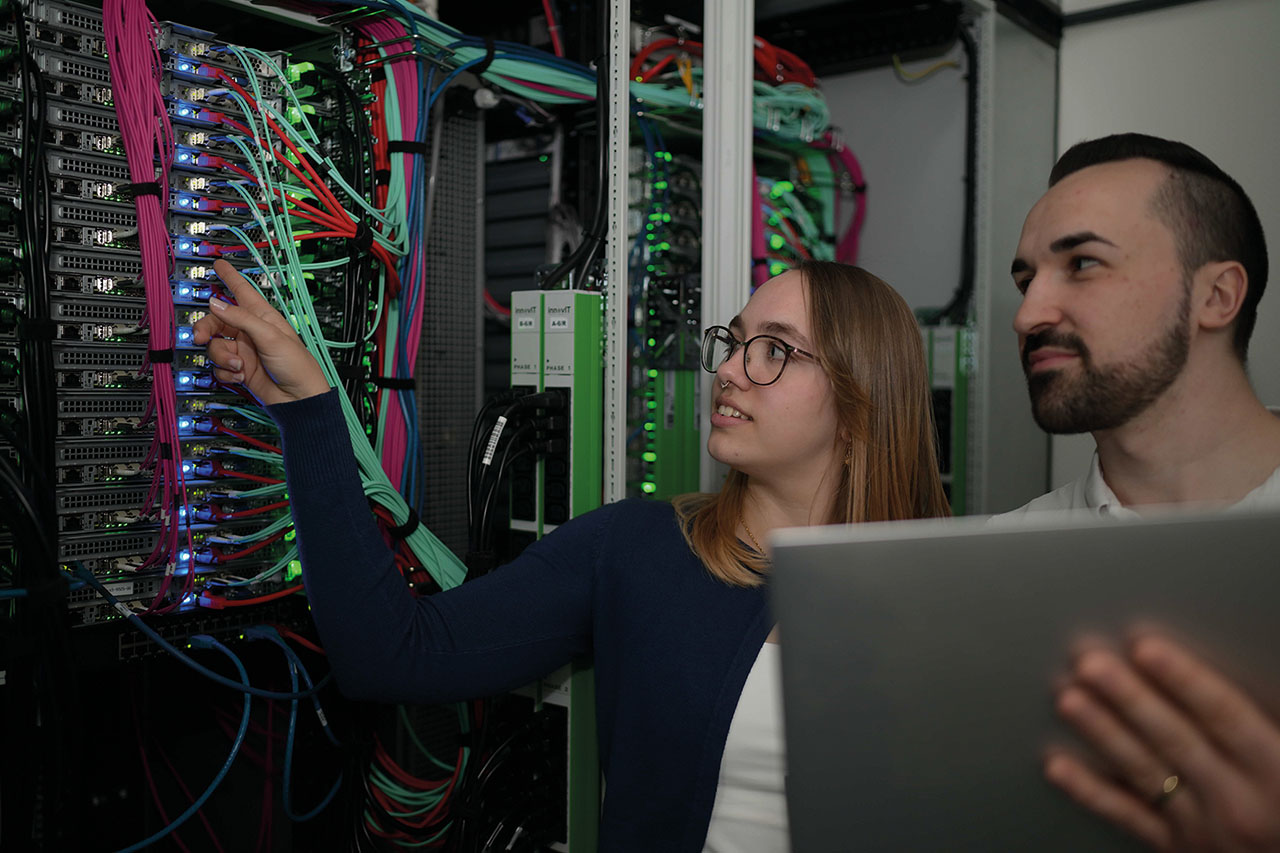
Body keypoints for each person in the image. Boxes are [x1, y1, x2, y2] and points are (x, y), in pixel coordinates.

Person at [194, 258, 950, 852]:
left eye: (774, 351)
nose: (728, 369)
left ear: (861, 405)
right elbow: (391, 652)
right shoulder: (639, 550)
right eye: (734, 341)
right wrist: (308, 411)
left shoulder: (946, 600)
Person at [1004, 133, 1280, 850]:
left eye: (1082, 264)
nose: (1028, 315)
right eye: (1026, 279)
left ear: (1216, 295)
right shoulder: (1001, 566)